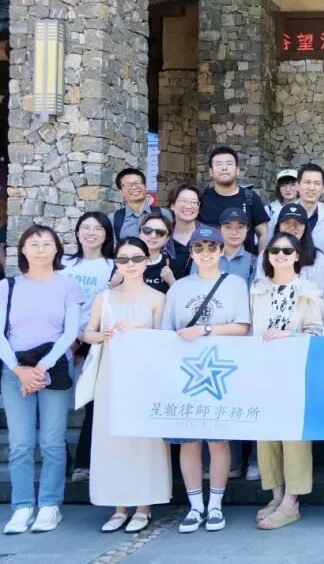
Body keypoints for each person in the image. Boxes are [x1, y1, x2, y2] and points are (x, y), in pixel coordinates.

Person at [161, 225, 251, 534]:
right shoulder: (179, 288)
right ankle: (195, 505)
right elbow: (167, 332)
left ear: (221, 251)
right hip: (186, 372)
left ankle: (215, 504)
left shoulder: (235, 284)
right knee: (189, 442)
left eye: (212, 247)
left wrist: (205, 330)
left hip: (220, 371)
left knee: (217, 440)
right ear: (192, 252)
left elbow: (243, 326)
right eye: (199, 248)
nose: (206, 253)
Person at [81, 237, 169, 534]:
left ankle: (143, 506)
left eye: (136, 258)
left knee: (144, 441)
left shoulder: (158, 298)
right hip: (111, 374)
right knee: (112, 438)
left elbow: (166, 339)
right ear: (116, 263)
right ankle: (118, 506)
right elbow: (87, 334)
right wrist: (104, 334)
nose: (130, 265)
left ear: (146, 261)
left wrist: (143, 330)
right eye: (123, 259)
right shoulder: (104, 298)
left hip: (145, 378)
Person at [0, 225, 84, 534]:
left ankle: (49, 504)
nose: (40, 249)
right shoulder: (7, 287)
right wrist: (18, 369)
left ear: (57, 249)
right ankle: (22, 506)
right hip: (15, 371)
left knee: (52, 440)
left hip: (55, 369)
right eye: (33, 244)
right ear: (22, 249)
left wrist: (43, 367)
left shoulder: (69, 285)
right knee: (21, 443)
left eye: (46, 243)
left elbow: (70, 331)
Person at [250, 232, 323, 530]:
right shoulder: (257, 290)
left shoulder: (310, 292)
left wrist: (288, 335)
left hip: (296, 371)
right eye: (275, 250)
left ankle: (291, 501)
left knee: (294, 437)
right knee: (266, 434)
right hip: (262, 370)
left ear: (297, 256)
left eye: (287, 250)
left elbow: (318, 333)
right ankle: (276, 495)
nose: (280, 255)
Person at [63, 212, 116, 484]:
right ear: (77, 232)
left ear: (107, 234)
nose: (91, 233)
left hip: (95, 343)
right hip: (62, 344)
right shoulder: (63, 264)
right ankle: (63, 459)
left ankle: (84, 462)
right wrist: (69, 338)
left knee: (93, 404)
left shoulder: (113, 266)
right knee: (56, 408)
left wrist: (85, 338)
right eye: (86, 227)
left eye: (98, 228)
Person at [271, 163, 324, 278]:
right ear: (298, 186)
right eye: (307, 182)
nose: (311, 188)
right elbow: (270, 248)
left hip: (319, 283)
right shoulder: (281, 214)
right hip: (284, 281)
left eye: (316, 183)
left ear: (323, 189)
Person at [197, 146, 269, 254]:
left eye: (229, 164)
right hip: (208, 261)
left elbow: (263, 233)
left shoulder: (251, 198)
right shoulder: (201, 198)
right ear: (211, 171)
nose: (224, 168)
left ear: (237, 170)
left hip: (245, 262)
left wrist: (262, 260)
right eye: (219, 164)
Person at [263, 203, 324, 295]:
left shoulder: (317, 258)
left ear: (305, 228)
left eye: (298, 223)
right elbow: (259, 290)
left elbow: (323, 293)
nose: (292, 227)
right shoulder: (266, 254)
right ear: (278, 226)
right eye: (287, 222)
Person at [111, 167, 172, 239]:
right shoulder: (114, 218)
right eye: (128, 185)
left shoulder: (163, 213)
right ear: (121, 192)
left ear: (145, 186)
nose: (134, 187)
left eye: (137, 183)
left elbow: (169, 243)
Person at [219, 208, 258, 287]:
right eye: (228, 227)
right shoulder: (205, 258)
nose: (234, 232)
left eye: (240, 227)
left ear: (247, 229)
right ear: (219, 229)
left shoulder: (255, 262)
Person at [169, 184, 202, 278]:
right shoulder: (163, 234)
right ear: (172, 205)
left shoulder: (208, 234)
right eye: (184, 201)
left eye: (194, 202)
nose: (189, 206)